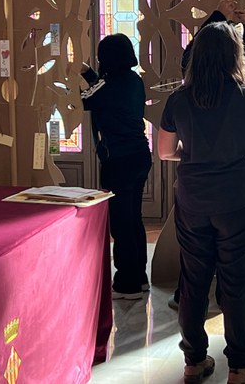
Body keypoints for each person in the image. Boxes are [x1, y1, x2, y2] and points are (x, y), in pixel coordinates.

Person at [159, 21, 245, 384]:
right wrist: (239, 158)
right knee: (236, 285)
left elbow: (164, 151)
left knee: (193, 282)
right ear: (234, 55)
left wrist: (192, 155)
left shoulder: (178, 99)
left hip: (192, 201)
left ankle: (194, 361)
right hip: (238, 202)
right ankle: (239, 368)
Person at [169, 0, 245, 312]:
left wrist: (217, 16)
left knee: (194, 271)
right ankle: (234, 333)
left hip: (193, 195)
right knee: (235, 274)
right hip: (236, 195)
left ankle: (191, 338)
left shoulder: (183, 95)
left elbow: (190, 56)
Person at [81, 33, 153, 303]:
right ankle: (140, 277)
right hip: (139, 155)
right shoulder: (135, 81)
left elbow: (86, 98)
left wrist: (82, 73)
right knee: (133, 218)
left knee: (121, 223)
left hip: (118, 160)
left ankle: (127, 283)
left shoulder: (107, 86)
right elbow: (100, 90)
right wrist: (89, 73)